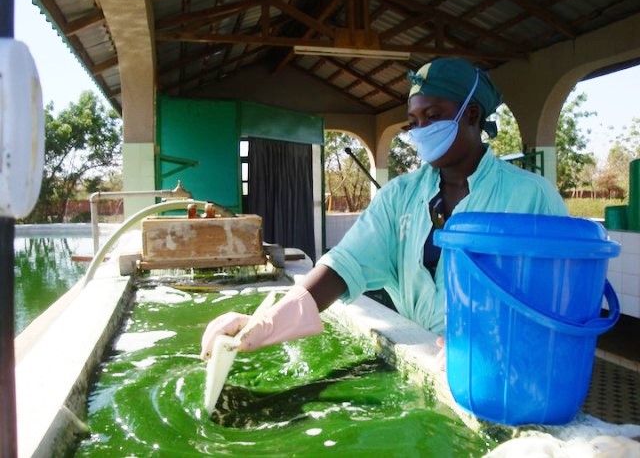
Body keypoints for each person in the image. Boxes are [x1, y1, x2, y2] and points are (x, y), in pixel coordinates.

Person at [200, 57, 568, 359]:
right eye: (414, 121)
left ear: (471, 115)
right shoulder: (401, 197)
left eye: (434, 116)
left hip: (505, 370)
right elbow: (344, 265)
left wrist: (491, 345)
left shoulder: (531, 197)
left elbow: (561, 298)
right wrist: (266, 321)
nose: (420, 129)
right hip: (424, 359)